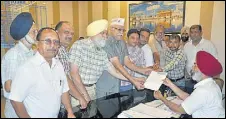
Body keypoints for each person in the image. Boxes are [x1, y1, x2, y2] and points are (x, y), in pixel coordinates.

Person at [9, 27, 75, 118]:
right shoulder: (26, 68)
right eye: (47, 41)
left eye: (56, 42)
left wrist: (70, 111)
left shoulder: (58, 65)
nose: (52, 45)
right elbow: (15, 101)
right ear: (37, 44)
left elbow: (64, 90)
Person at [68, 19, 133, 107]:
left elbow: (114, 72)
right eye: (103, 33)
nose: (105, 36)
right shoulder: (79, 45)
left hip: (93, 90)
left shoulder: (102, 52)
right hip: (78, 91)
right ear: (94, 33)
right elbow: (74, 74)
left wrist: (133, 79)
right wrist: (85, 96)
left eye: (106, 34)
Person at [154, 51, 225, 118]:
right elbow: (191, 98)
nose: (193, 67)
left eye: (195, 65)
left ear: (203, 71)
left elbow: (179, 109)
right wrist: (170, 84)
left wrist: (162, 98)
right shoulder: (211, 84)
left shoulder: (203, 90)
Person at [96, 18, 152, 98]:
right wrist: (134, 80)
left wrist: (143, 70)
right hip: (105, 85)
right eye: (119, 30)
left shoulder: (122, 43)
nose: (121, 33)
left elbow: (127, 62)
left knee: (118, 109)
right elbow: (117, 65)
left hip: (117, 84)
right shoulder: (106, 42)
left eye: (123, 30)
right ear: (111, 29)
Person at [1, 12, 38, 118]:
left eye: (36, 30)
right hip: (17, 111)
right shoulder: (14, 55)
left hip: (29, 107)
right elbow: (9, 87)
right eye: (33, 32)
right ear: (24, 35)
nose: (36, 33)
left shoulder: (31, 52)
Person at [55, 21, 88, 110]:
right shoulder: (56, 51)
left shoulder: (65, 51)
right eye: (66, 32)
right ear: (56, 33)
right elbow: (64, 78)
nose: (70, 36)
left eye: (72, 34)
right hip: (59, 102)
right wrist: (81, 97)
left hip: (66, 100)